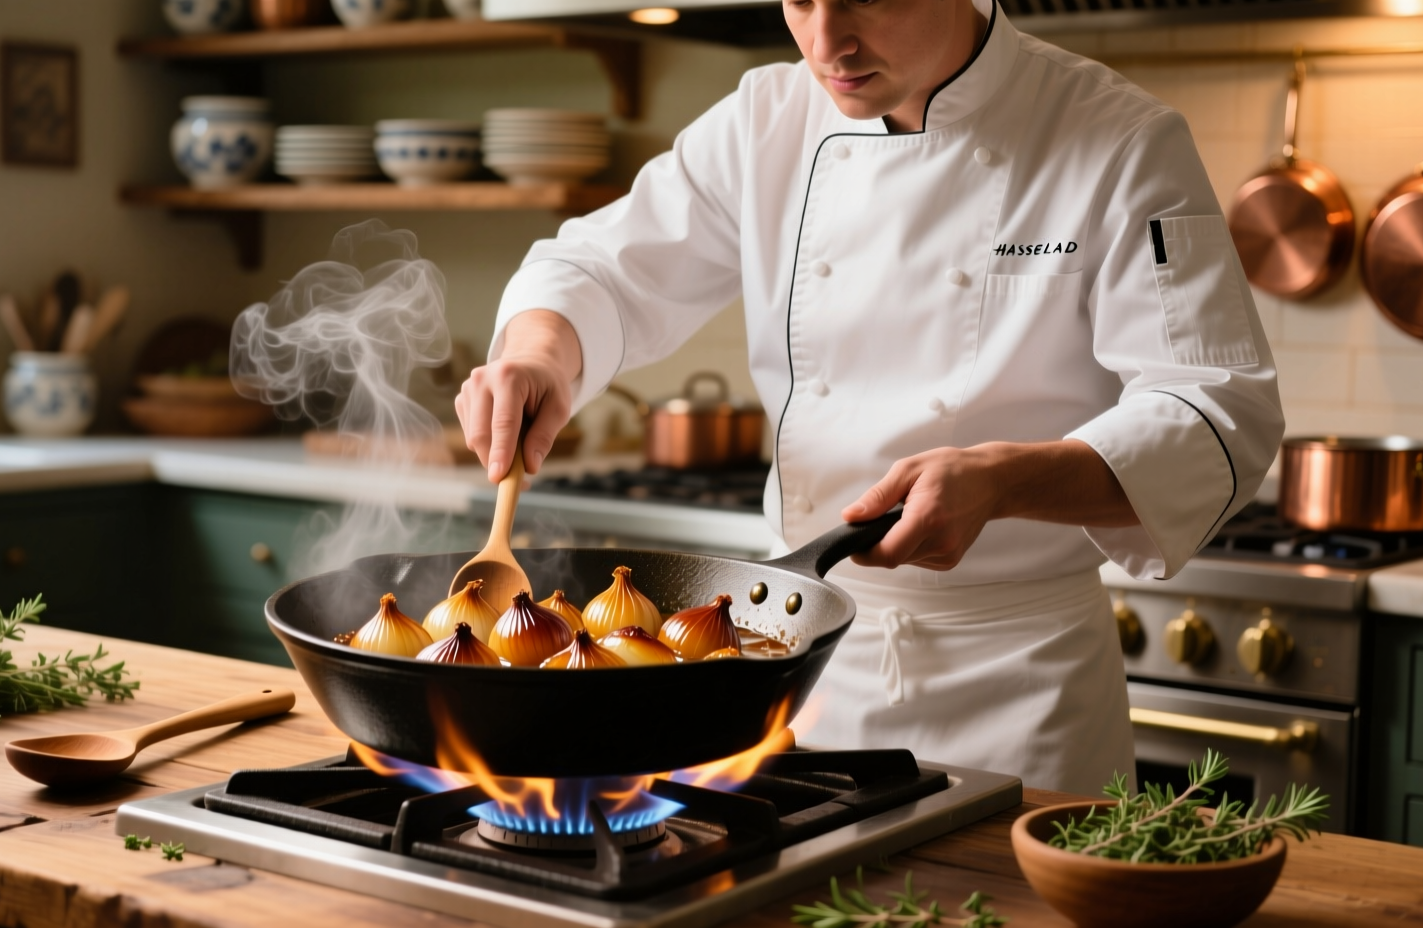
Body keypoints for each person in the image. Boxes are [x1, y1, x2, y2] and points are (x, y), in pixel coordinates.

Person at [455, 0, 1283, 794]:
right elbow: (598, 268)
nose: (826, 43)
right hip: (790, 670)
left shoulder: (1118, 137)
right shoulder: (766, 121)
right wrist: (539, 357)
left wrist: (1005, 478)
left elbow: (1216, 409)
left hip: (1018, 693)